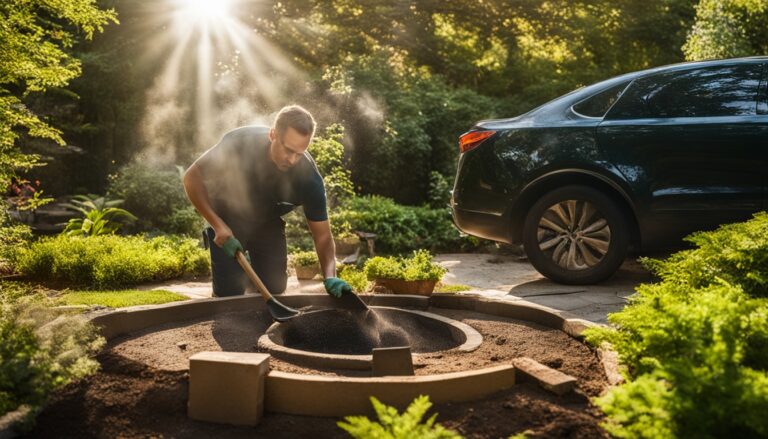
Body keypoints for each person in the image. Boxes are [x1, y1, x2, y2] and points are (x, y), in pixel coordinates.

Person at [182, 105, 352, 299]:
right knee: (228, 294)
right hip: (227, 216)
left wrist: (331, 276)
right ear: (273, 135)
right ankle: (233, 290)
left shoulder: (309, 179)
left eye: (299, 153)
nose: (293, 160)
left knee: (275, 287)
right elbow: (191, 178)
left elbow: (322, 236)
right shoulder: (239, 144)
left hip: (267, 221)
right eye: (288, 150)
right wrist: (217, 225)